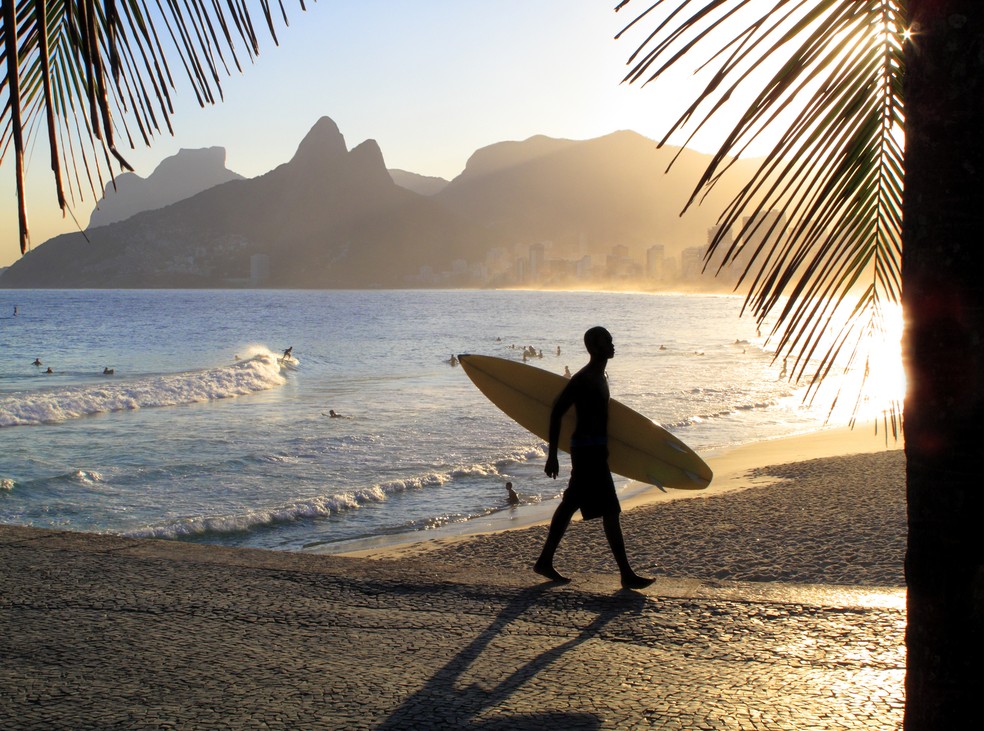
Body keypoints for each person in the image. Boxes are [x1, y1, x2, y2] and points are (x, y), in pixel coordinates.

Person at [534, 326, 654, 590]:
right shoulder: (584, 378)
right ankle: (626, 574)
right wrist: (552, 455)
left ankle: (544, 560)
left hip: (595, 450)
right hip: (587, 451)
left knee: (570, 505)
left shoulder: (602, 375)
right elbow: (556, 412)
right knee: (610, 510)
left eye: (611, 340)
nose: (612, 345)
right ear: (594, 347)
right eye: (607, 341)